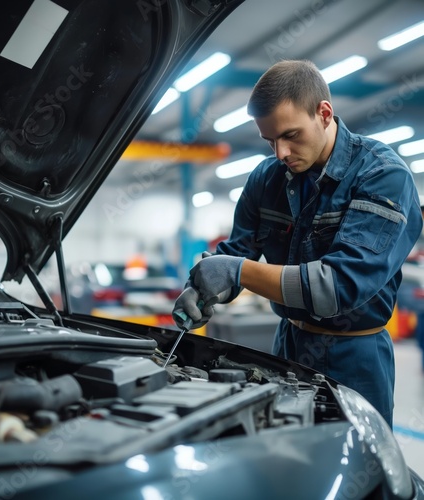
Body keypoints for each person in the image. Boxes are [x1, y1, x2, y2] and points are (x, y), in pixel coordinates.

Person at [172, 59, 423, 427]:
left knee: (356, 470)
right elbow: (237, 252)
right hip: (287, 345)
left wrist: (236, 272)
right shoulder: (267, 178)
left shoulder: (382, 177)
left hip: (356, 356)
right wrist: (203, 287)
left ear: (324, 113)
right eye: (269, 140)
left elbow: (335, 287)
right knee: (287, 456)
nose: (281, 153)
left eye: (290, 135)